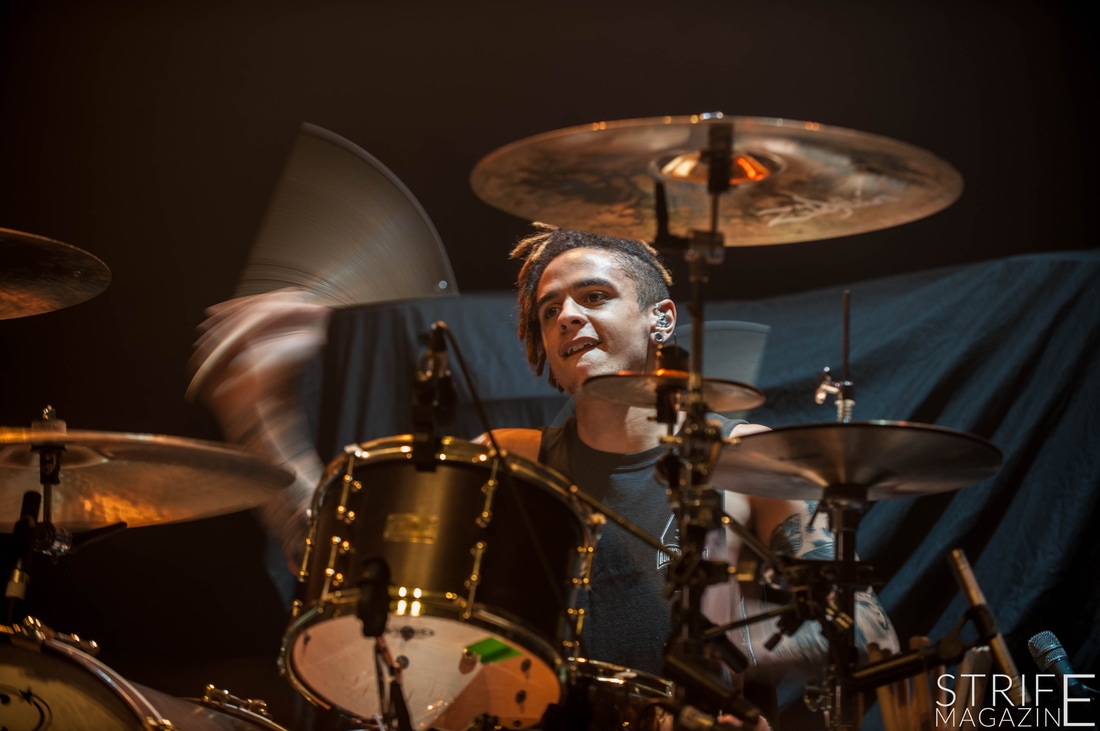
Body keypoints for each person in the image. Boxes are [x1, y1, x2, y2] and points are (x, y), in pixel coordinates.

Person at [189, 225, 899, 730]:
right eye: (549, 308)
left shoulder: (749, 458)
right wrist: (262, 412)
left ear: (660, 319)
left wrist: (726, 643)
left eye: (593, 296)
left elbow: (868, 632)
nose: (567, 317)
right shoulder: (511, 461)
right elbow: (338, 558)